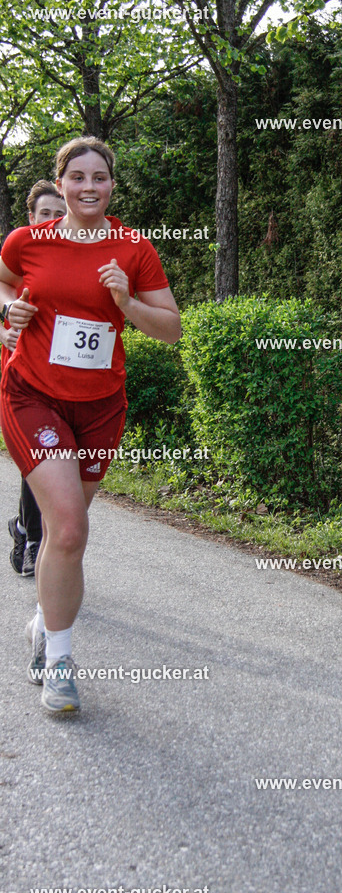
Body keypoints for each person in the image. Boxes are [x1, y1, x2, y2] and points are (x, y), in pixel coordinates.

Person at [0, 137, 181, 714]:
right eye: (76, 177)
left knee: (64, 534)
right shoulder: (27, 241)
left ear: (111, 186)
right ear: (60, 183)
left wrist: (127, 302)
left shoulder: (134, 249)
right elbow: (1, 281)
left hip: (101, 406)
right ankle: (59, 662)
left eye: (98, 177)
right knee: (70, 528)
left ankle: (43, 621)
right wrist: (7, 310)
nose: (88, 187)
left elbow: (171, 329)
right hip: (33, 396)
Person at [5, 181, 66, 576]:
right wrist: (3, 329)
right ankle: (33, 539)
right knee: (40, 453)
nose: (52, 221)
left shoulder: (78, 253)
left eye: (59, 214)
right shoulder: (21, 251)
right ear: (31, 217)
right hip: (22, 370)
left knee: (54, 459)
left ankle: (26, 527)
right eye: (45, 213)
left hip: (65, 374)